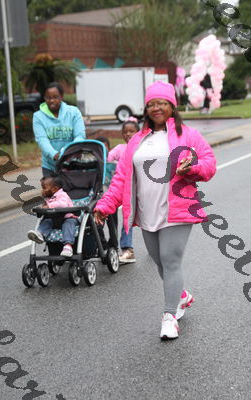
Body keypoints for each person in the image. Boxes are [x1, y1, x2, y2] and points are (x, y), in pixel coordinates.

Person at [93, 81, 216, 340]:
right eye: (151, 104)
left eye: (162, 103)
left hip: (177, 209)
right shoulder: (137, 141)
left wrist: (192, 168)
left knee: (170, 261)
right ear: (146, 109)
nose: (156, 108)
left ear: (172, 106)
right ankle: (181, 296)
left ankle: (169, 317)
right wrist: (105, 206)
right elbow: (121, 179)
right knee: (160, 262)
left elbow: (209, 163)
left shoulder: (188, 135)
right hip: (146, 212)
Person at [33, 82, 86, 177]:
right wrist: (55, 155)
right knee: (50, 187)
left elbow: (80, 135)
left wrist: (69, 152)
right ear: (44, 98)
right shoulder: (38, 117)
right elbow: (42, 140)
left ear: (61, 97)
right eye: (48, 98)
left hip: (72, 162)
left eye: (55, 97)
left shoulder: (74, 112)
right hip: (50, 166)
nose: (52, 101)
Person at [107, 117, 139, 264]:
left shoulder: (143, 148)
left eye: (132, 131)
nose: (128, 134)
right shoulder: (120, 149)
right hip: (122, 189)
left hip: (139, 189)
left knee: (146, 220)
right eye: (125, 132)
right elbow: (108, 159)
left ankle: (157, 243)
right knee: (125, 218)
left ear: (138, 133)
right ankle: (125, 248)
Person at [27, 175, 78, 257]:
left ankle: (68, 246)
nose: (42, 191)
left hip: (67, 218)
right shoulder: (48, 197)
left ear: (54, 188)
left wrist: (48, 206)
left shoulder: (62, 194)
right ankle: (40, 234)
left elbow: (63, 205)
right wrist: (41, 209)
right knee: (47, 221)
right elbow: (45, 207)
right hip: (55, 219)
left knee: (68, 224)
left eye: (44, 188)